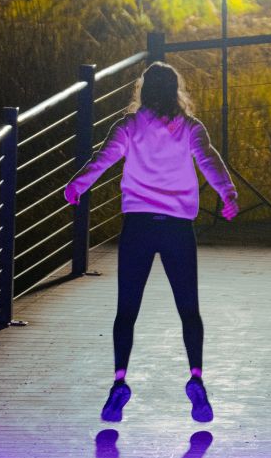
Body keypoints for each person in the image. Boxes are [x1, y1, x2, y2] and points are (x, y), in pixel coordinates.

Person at [64, 61, 239, 424]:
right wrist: (228, 194)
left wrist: (78, 184)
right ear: (176, 91)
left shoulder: (127, 127)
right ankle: (196, 377)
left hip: (139, 226)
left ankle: (119, 382)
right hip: (177, 226)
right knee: (188, 309)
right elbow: (209, 159)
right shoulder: (191, 127)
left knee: (126, 310)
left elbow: (103, 159)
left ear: (143, 91)